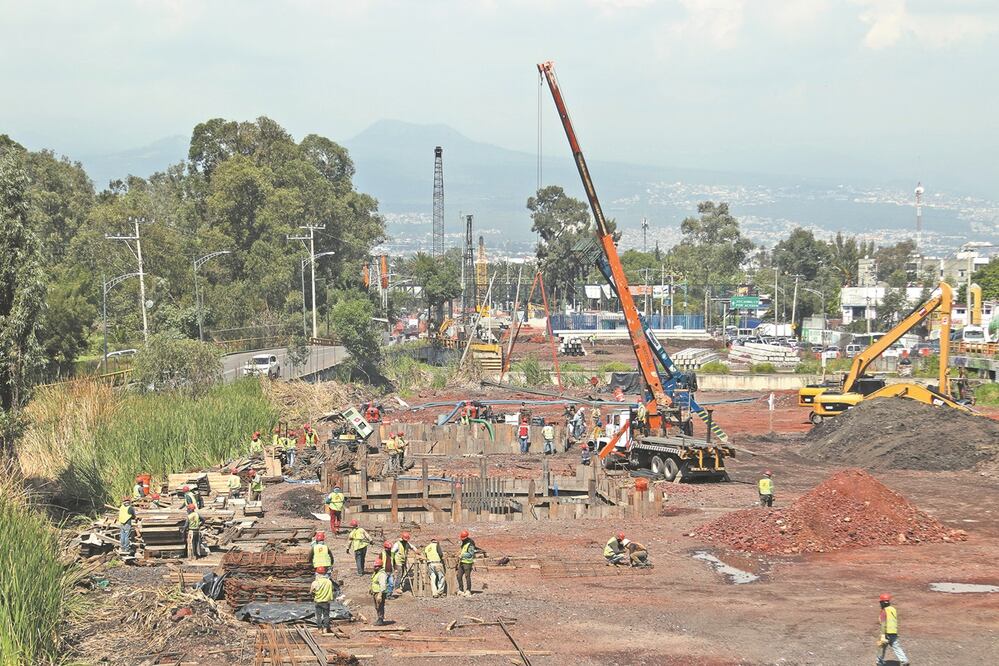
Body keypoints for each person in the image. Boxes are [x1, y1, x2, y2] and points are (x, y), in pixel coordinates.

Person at [877, 594, 909, 666]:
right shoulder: (893, 609)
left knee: (882, 647)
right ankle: (904, 660)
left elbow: (883, 624)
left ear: (882, 602)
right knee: (896, 646)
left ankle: (879, 662)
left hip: (886, 633)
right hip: (894, 632)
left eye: (880, 602)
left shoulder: (884, 611)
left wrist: (882, 635)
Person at [311, 567, 335, 633]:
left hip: (318, 601)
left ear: (317, 574)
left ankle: (319, 629)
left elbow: (311, 591)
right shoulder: (329, 582)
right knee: (326, 615)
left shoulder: (315, 583)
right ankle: (325, 628)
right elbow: (332, 590)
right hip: (326, 601)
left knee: (318, 615)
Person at [370, 557, 389, 626]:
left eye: (376, 566)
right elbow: (374, 581)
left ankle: (380, 619)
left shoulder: (382, 574)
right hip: (375, 592)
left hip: (379, 592)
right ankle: (379, 618)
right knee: (377, 606)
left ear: (380, 566)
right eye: (374, 566)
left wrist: (380, 595)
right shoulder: (376, 573)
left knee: (380, 606)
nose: (375, 567)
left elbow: (383, 585)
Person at [457, 530, 476, 597]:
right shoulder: (464, 543)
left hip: (468, 563)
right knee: (459, 576)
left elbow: (471, 554)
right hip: (462, 562)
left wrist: (462, 555)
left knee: (467, 577)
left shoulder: (470, 544)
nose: (462, 539)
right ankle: (461, 590)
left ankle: (468, 590)